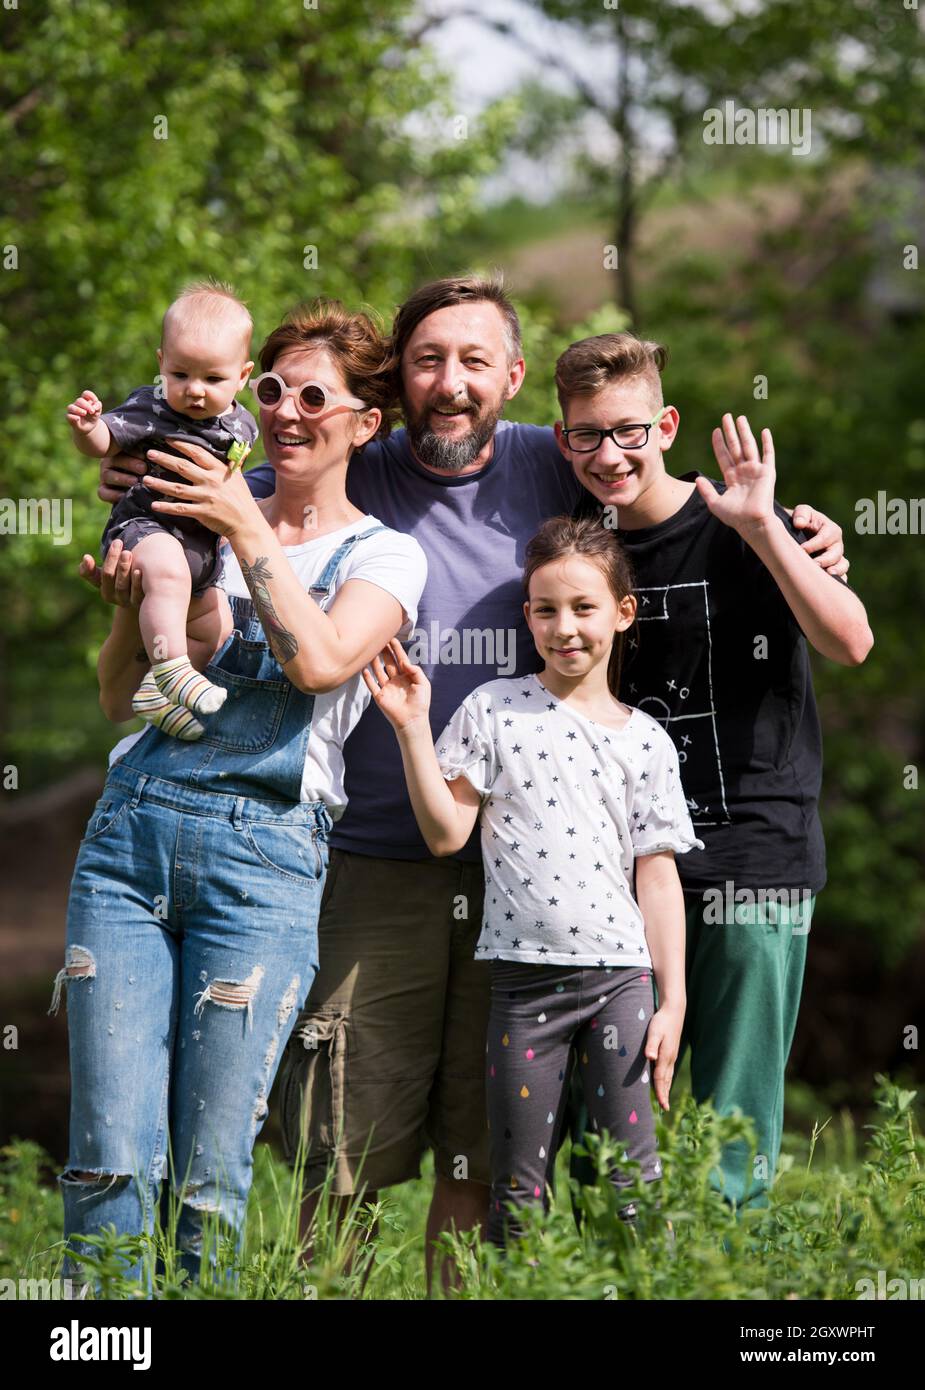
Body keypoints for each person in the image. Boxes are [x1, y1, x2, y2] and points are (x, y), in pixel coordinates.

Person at [96, 275, 851, 1285]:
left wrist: (799, 534)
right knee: (342, 1143)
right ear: (392, 387)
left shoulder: (561, 457)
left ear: (514, 378)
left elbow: (654, 474)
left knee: (488, 1150)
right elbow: (244, 421)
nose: (450, 385)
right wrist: (134, 476)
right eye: (426, 361)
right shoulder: (356, 452)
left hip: (528, 872)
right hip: (369, 857)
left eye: (474, 363)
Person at [55, 298, 427, 1288]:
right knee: (106, 1158)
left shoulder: (386, 554)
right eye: (271, 389)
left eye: (316, 396)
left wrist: (242, 529)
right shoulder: (187, 490)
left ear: (363, 421)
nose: (287, 412)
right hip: (130, 844)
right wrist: (129, 614)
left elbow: (319, 662)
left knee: (211, 1176)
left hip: (261, 865)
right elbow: (111, 695)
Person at [557, 331, 873, 1208]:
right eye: (586, 434)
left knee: (736, 1138)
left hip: (753, 861)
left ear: (665, 424)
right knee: (610, 1131)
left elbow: (850, 642)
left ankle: (732, 1291)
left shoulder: (743, 522)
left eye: (627, 431)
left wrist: (766, 528)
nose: (609, 454)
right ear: (562, 441)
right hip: (617, 877)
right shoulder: (578, 551)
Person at [363, 515, 703, 1244]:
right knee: (515, 1189)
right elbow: (444, 832)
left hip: (622, 984)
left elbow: (658, 878)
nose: (564, 627)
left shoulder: (644, 739)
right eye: (546, 609)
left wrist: (671, 999)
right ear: (527, 616)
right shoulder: (493, 709)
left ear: (622, 612)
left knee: (629, 1180)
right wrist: (411, 726)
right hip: (521, 988)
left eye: (583, 608)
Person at [66, 281, 259, 740]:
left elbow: (235, 485)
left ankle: (157, 692)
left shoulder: (242, 424)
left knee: (216, 627)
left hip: (203, 552)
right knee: (168, 576)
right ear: (160, 365)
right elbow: (104, 444)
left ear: (243, 376)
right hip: (147, 529)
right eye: (180, 375)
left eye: (212, 379)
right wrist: (88, 427)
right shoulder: (151, 408)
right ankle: (173, 669)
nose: (194, 391)